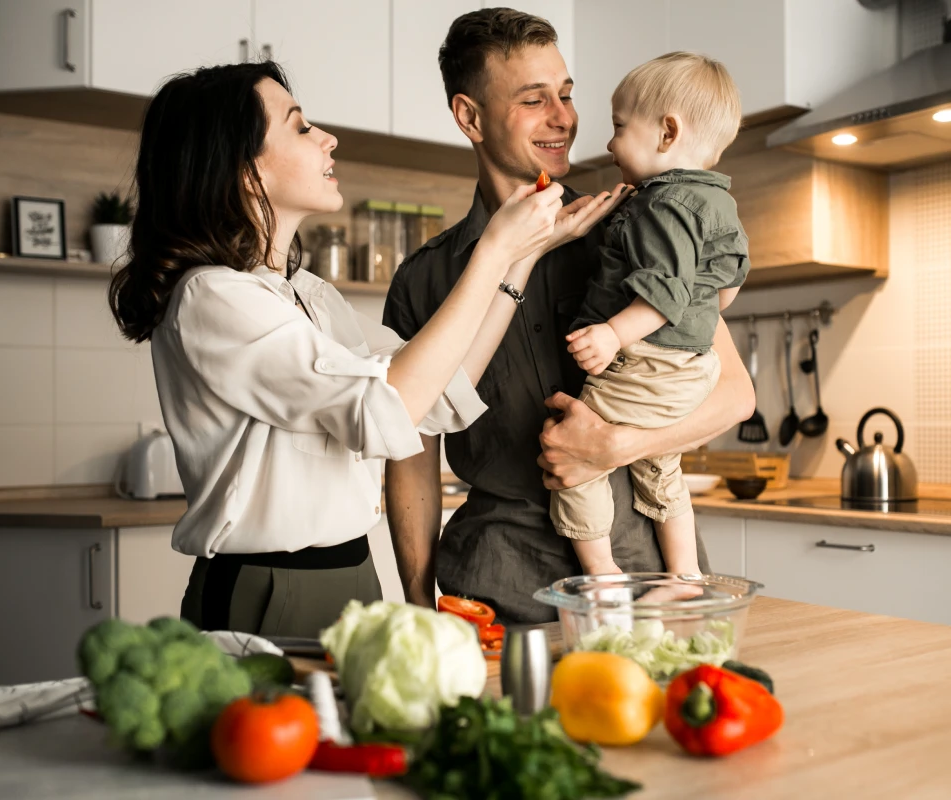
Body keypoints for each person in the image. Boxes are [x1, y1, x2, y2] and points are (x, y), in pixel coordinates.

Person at [107, 60, 616, 637]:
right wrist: (494, 249)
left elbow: (436, 394)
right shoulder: (213, 296)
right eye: (300, 127)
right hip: (267, 587)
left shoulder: (310, 294)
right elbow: (386, 410)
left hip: (353, 573)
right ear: (245, 171)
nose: (328, 138)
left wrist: (522, 256)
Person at [383, 8, 756, 624]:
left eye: (566, 94)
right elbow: (410, 461)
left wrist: (615, 445)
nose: (563, 119)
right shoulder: (424, 279)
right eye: (535, 100)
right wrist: (418, 607)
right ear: (469, 116)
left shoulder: (636, 223)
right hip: (494, 585)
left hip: (648, 581)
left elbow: (734, 396)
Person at [553, 52, 750, 580]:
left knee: (576, 451)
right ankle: (684, 575)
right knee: (662, 466)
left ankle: (603, 575)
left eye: (619, 127)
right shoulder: (718, 202)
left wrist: (614, 334)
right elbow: (723, 293)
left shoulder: (664, 205)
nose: (611, 143)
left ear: (667, 132)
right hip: (691, 366)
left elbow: (664, 294)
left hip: (645, 363)